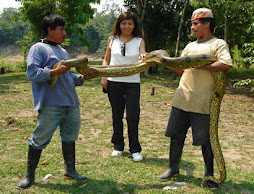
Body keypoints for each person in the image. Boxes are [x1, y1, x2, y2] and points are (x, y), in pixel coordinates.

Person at [17, 14, 96, 189]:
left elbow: (67, 77)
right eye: (61, 29)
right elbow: (32, 74)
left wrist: (83, 77)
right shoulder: (38, 49)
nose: (65, 33)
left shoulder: (63, 51)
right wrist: (53, 72)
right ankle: (29, 176)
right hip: (51, 104)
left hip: (71, 103)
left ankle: (70, 170)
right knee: (39, 139)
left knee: (69, 137)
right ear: (50, 30)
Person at [158, 8, 233, 189]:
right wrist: (162, 61)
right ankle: (172, 168)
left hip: (203, 101)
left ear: (207, 23)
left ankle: (209, 175)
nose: (192, 27)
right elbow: (181, 69)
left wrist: (199, 65)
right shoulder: (190, 46)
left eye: (195, 23)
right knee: (176, 136)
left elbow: (226, 64)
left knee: (205, 140)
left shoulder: (218, 44)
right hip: (182, 97)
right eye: (192, 24)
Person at [101, 11, 147, 162]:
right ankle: (118, 146)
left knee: (133, 116)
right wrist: (104, 77)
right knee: (117, 115)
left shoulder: (139, 40)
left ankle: (135, 149)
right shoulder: (112, 40)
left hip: (133, 82)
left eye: (130, 24)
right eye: (124, 23)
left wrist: (143, 57)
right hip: (114, 81)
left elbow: (143, 55)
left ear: (134, 26)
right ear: (119, 25)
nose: (127, 27)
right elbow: (106, 60)